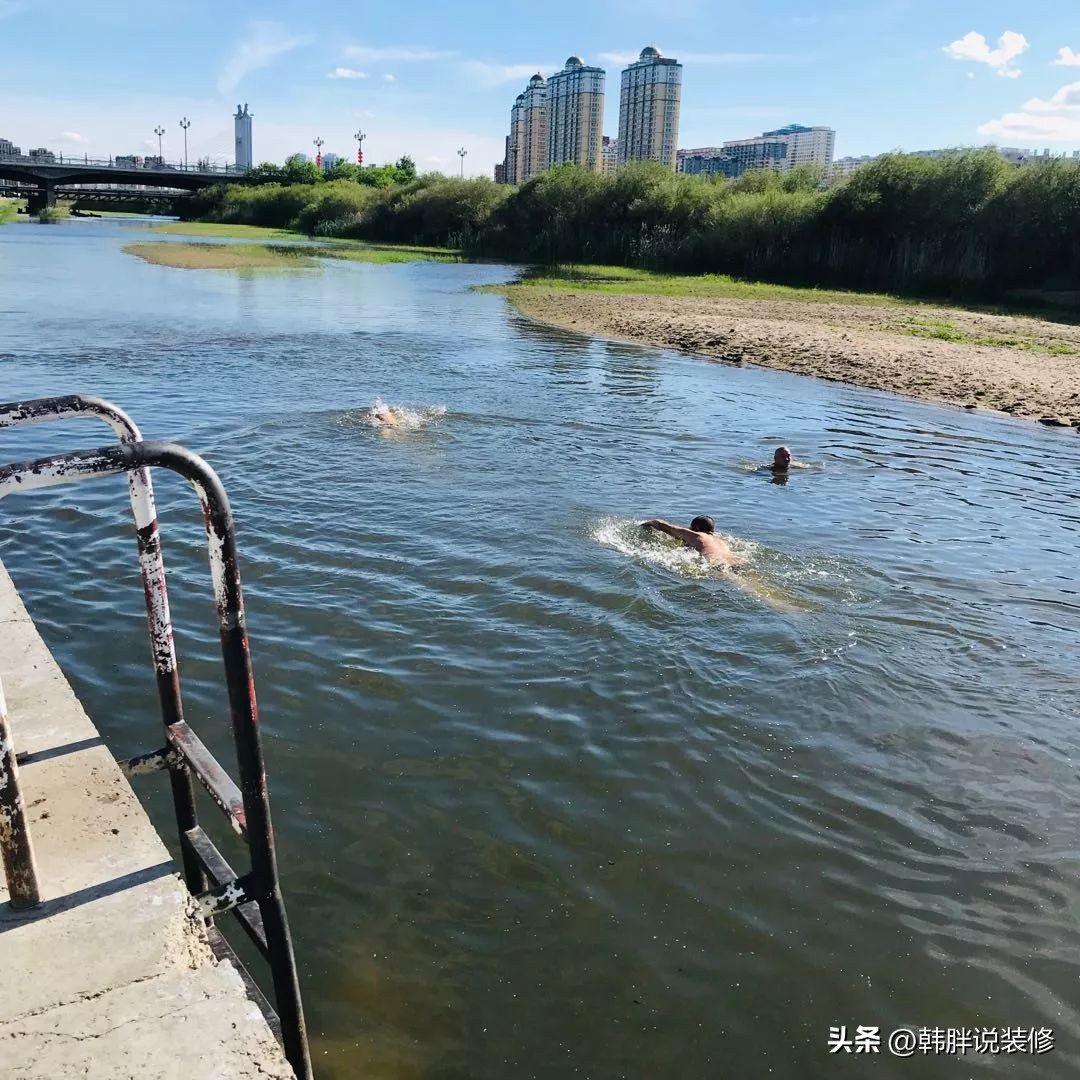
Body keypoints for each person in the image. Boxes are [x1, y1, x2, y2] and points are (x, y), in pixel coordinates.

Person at [640, 516, 745, 568]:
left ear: (696, 528)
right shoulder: (722, 541)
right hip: (735, 563)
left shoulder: (697, 535)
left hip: (715, 566)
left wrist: (644, 525)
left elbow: (661, 524)